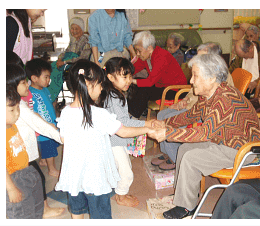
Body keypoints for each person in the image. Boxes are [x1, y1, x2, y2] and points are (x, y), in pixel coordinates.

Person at [151, 54, 260, 219]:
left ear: (212, 78)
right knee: (184, 149)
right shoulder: (209, 96)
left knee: (191, 158)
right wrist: (164, 123)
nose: (191, 81)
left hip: (242, 150)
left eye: (195, 75)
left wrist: (168, 133)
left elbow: (204, 133)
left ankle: (187, 207)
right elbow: (189, 116)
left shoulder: (224, 99)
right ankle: (186, 197)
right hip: (223, 142)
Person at [55, 60, 156, 219]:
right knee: (100, 214)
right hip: (95, 177)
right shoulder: (99, 114)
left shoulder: (65, 112)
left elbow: (63, 139)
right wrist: (149, 129)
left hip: (74, 175)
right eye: (100, 84)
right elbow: (123, 131)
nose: (103, 88)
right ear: (89, 85)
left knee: (77, 210)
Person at [102, 57, 164, 207]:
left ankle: (120, 190)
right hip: (113, 142)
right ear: (110, 77)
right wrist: (146, 126)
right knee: (126, 172)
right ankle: (121, 196)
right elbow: (125, 123)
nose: (129, 80)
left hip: (117, 140)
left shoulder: (116, 93)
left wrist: (147, 122)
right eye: (124, 77)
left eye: (130, 76)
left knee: (123, 168)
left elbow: (125, 117)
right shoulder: (113, 98)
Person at [152, 42, 222, 168]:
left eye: (202, 58)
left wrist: (187, 105)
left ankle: (174, 158)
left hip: (201, 113)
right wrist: (182, 102)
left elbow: (206, 105)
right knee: (162, 114)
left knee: (169, 121)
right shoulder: (203, 74)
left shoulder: (218, 79)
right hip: (192, 108)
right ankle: (167, 152)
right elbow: (192, 93)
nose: (197, 61)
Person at [8, 63, 64, 219]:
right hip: (24, 154)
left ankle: (39, 208)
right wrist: (61, 136)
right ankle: (43, 209)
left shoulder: (19, 102)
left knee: (35, 180)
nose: (27, 84)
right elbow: (36, 122)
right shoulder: (18, 105)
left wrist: (51, 126)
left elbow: (36, 118)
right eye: (23, 82)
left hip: (26, 153)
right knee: (37, 179)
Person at [127, 30, 189, 117]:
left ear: (149, 48)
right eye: (136, 51)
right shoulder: (146, 56)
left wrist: (131, 80)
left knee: (144, 89)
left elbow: (149, 82)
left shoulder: (161, 57)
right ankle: (129, 113)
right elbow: (133, 68)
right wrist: (123, 73)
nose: (137, 54)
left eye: (139, 51)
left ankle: (132, 117)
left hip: (175, 90)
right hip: (162, 86)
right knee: (137, 84)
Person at [26, 59, 60, 177]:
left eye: (49, 77)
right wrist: (45, 124)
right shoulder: (30, 93)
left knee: (46, 147)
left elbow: (49, 104)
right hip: (43, 128)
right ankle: (52, 169)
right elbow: (32, 113)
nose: (48, 80)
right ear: (34, 78)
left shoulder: (45, 89)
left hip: (50, 123)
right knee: (49, 148)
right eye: (45, 77)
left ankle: (43, 160)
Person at [52, 17, 94, 100]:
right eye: (72, 28)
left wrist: (64, 62)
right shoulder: (73, 40)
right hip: (67, 62)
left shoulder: (87, 40)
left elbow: (83, 58)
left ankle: (54, 94)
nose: (74, 31)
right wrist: (60, 58)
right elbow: (66, 51)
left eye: (76, 28)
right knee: (52, 66)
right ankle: (52, 94)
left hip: (77, 64)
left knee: (56, 72)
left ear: (82, 29)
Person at [229, 26, 260, 96]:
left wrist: (256, 82)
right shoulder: (242, 53)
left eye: (245, 56)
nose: (245, 59)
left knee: (242, 94)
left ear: (251, 49)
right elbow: (234, 67)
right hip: (243, 80)